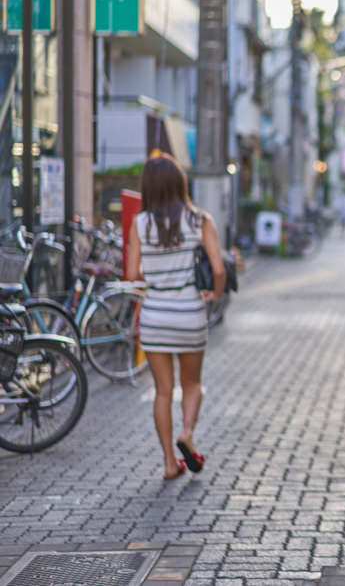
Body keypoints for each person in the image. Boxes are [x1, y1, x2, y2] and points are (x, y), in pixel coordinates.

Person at [126, 155, 226, 480]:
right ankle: (187, 433)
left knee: (163, 391)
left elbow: (131, 276)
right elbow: (220, 268)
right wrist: (216, 294)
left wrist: (154, 273)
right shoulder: (199, 220)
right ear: (180, 184)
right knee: (192, 383)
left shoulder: (140, 224)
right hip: (189, 314)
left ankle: (170, 462)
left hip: (155, 315)